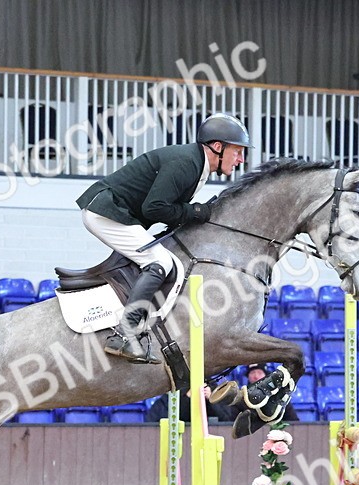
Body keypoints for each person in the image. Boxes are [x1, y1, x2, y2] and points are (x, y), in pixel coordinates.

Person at [76, 113, 250, 364]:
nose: (241, 159)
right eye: (238, 151)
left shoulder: (196, 165)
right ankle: (124, 335)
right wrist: (194, 212)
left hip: (116, 212)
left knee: (163, 259)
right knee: (160, 262)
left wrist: (191, 213)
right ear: (218, 147)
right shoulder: (186, 163)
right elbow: (154, 208)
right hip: (105, 212)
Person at [144, 384, 238, 424]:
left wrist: (211, 399)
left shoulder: (216, 391)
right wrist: (187, 398)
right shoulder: (167, 399)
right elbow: (152, 424)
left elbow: (226, 421)